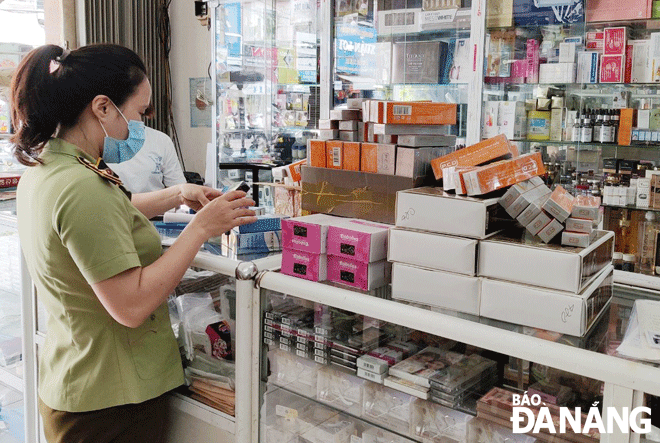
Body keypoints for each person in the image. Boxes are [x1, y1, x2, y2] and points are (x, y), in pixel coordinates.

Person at [11, 43, 257, 443]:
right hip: (110, 399)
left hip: (79, 375)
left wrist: (178, 193)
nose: (139, 127)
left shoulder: (52, 169)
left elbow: (114, 212)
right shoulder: (82, 187)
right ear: (103, 108)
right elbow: (131, 305)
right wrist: (199, 230)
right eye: (140, 113)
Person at [107, 125, 187, 194]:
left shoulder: (161, 140)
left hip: (156, 209)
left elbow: (178, 190)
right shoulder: (100, 143)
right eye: (139, 112)